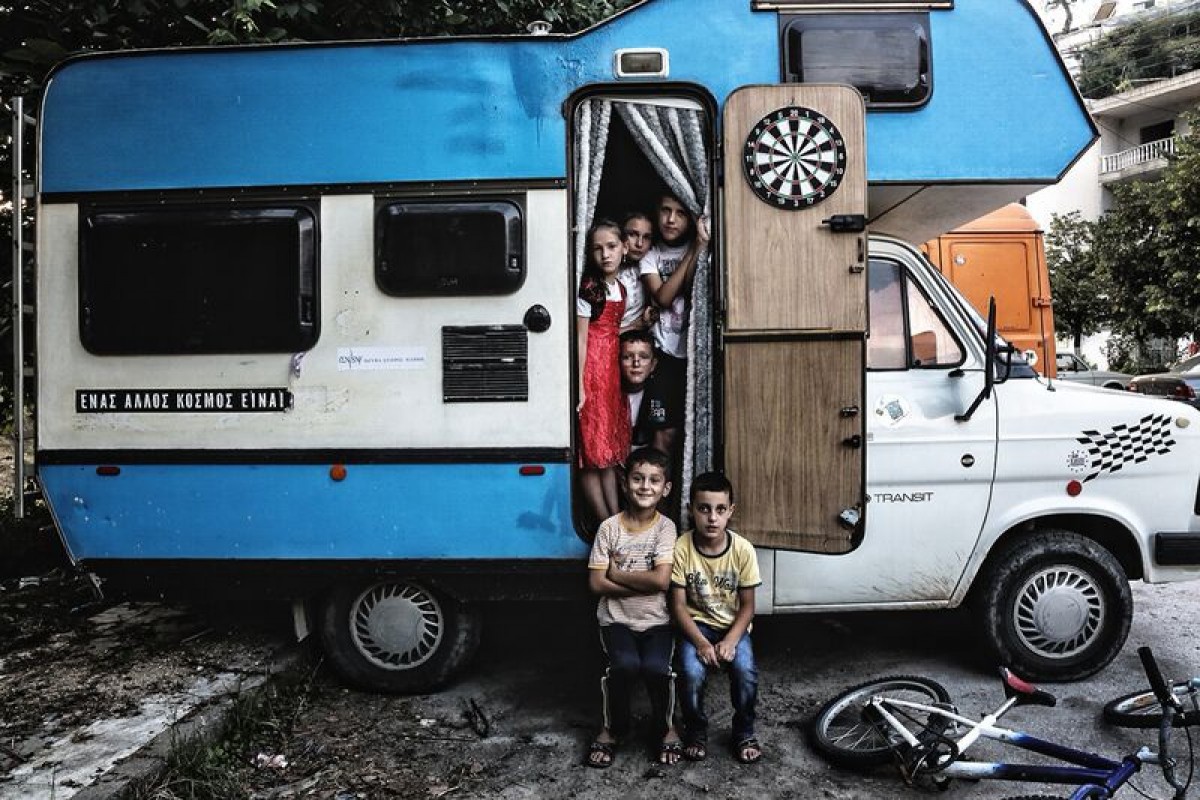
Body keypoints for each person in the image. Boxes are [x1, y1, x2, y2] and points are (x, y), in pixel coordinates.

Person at [585, 447, 682, 768]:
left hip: (657, 621)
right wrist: (641, 582)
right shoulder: (609, 528)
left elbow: (661, 581)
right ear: (624, 484)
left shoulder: (666, 528)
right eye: (638, 479)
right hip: (617, 621)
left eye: (654, 480)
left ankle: (665, 728)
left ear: (666, 488)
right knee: (623, 666)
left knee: (657, 669)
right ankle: (614, 729)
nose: (645, 486)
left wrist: (616, 574)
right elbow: (596, 584)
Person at [669, 471, 763, 765]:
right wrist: (700, 643)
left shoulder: (742, 550)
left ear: (730, 511)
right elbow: (678, 606)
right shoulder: (682, 547)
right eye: (704, 509)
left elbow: (748, 606)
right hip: (695, 626)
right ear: (691, 510)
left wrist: (731, 641)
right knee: (690, 672)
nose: (712, 518)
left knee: (745, 672)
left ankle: (744, 731)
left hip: (732, 626)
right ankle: (696, 730)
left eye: (720, 509)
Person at [640, 193, 709, 461]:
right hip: (663, 356)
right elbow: (664, 297)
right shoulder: (650, 255)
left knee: (692, 432)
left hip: (694, 353)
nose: (671, 219)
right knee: (663, 435)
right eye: (665, 211)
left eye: (680, 213)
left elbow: (692, 288)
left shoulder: (705, 248)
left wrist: (698, 248)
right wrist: (693, 250)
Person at [577, 220, 633, 526]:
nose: (605, 255)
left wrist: (637, 325)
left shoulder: (620, 288)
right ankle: (605, 525)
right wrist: (580, 385)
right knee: (592, 454)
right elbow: (582, 338)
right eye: (597, 249)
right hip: (593, 371)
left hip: (611, 372)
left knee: (607, 453)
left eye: (611, 247)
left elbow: (611, 329)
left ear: (624, 248)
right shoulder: (590, 287)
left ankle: (616, 519)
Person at [619, 329, 678, 450]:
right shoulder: (609, 394)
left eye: (644, 357)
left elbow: (662, 446)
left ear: (653, 364)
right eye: (627, 357)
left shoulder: (658, 397)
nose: (636, 364)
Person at [618, 212, 655, 333]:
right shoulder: (608, 270)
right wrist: (633, 327)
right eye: (633, 234)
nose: (639, 243)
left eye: (646, 237)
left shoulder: (650, 270)